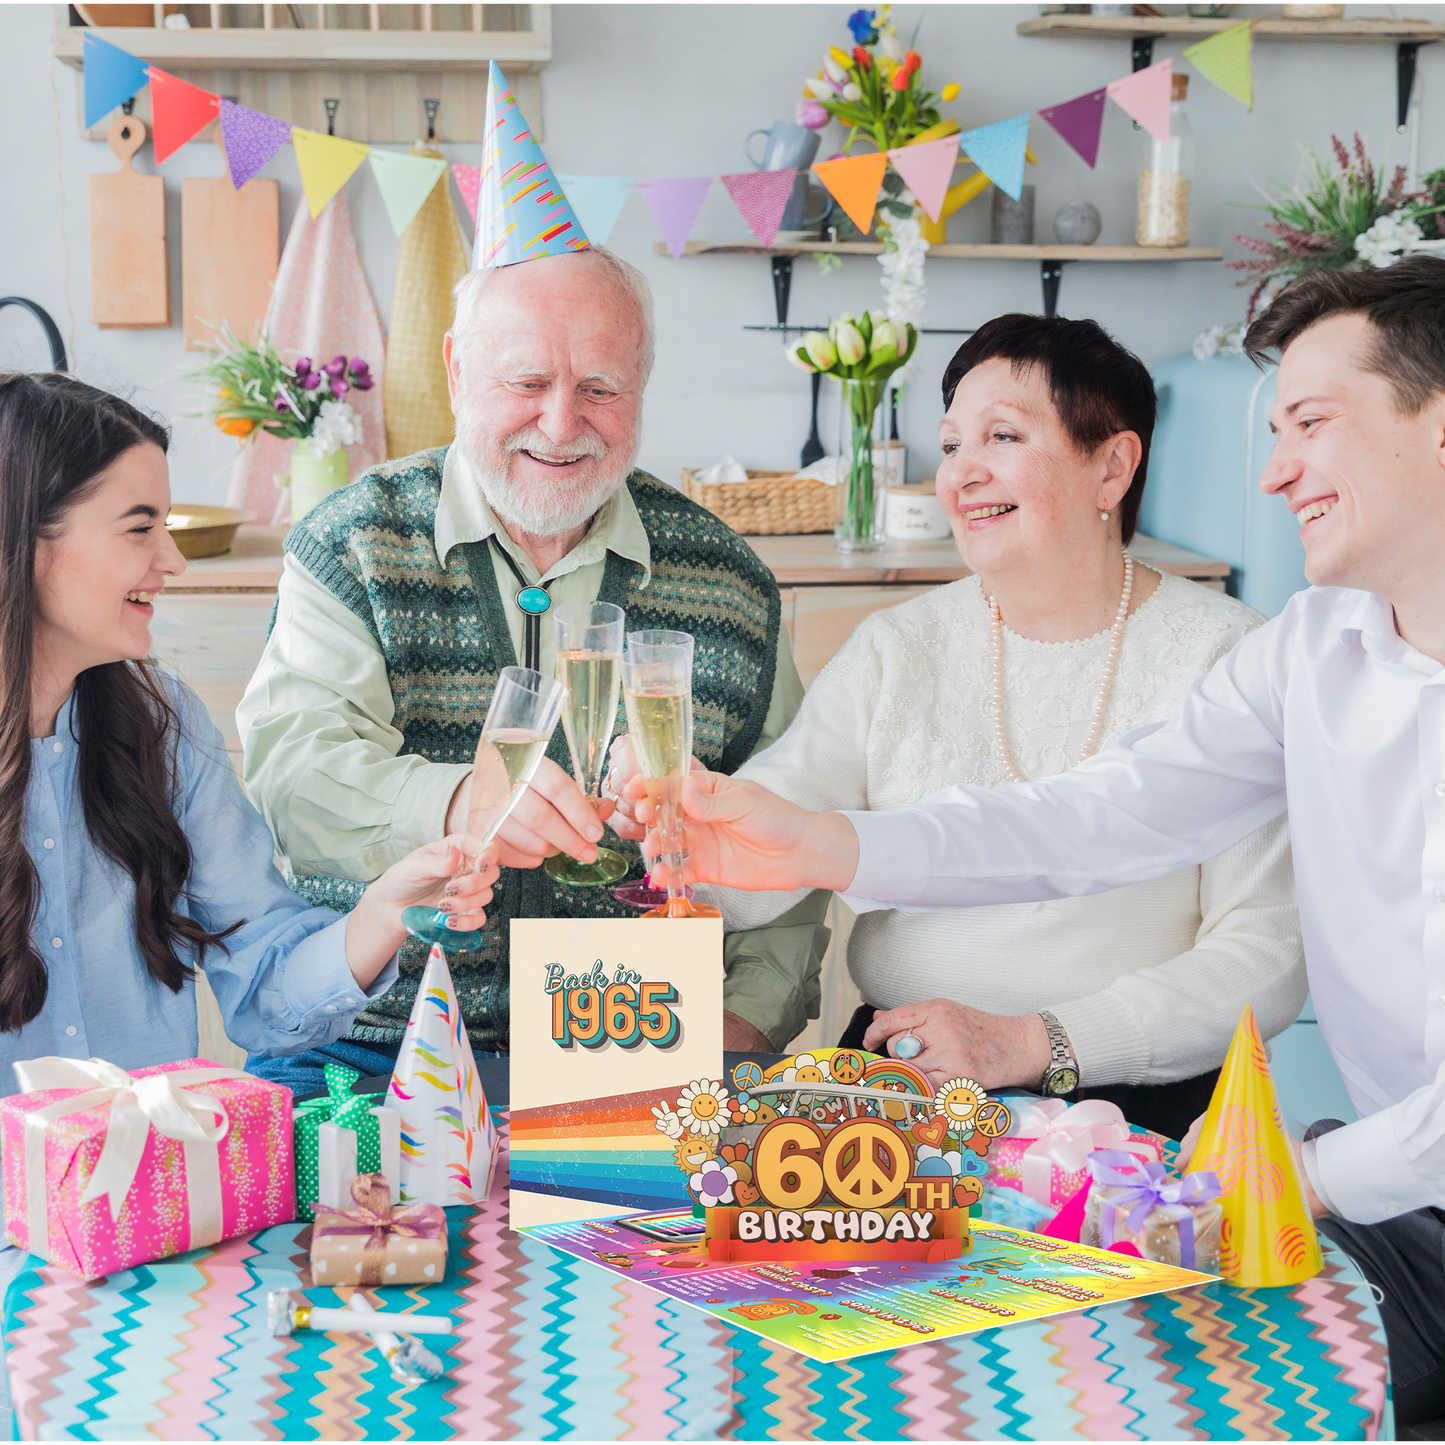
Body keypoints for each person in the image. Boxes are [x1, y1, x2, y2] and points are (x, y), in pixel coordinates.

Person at [622, 259, 1445, 1433]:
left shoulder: (1232, 637)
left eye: (1311, 423)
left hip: (1332, 1167)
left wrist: (1279, 1176)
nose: (1272, 473)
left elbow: (1273, 976)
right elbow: (1096, 814)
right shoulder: (1316, 646)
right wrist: (821, 842)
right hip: (1371, 1195)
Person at [611, 315, 1305, 1141]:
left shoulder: (1229, 652)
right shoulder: (896, 646)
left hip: (1132, 1111)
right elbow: (767, 852)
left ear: (1112, 467)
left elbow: (1266, 958)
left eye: (1001, 436)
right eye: (949, 446)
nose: (961, 473)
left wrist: (1034, 1042)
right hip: (896, 1081)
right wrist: (681, 831)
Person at [237, 244, 817, 1092]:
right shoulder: (353, 543)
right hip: (368, 1044)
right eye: (525, 381)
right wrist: (452, 801)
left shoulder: (729, 581)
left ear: (641, 386)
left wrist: (738, 1028)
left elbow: (793, 832)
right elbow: (293, 780)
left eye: (600, 389)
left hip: (638, 1052)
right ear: (456, 368)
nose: (559, 422)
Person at [0, 372, 495, 1092]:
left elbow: (264, 985)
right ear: (26, 538)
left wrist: (385, 908)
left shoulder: (159, 724)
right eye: (140, 528)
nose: (171, 561)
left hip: (152, 1186)